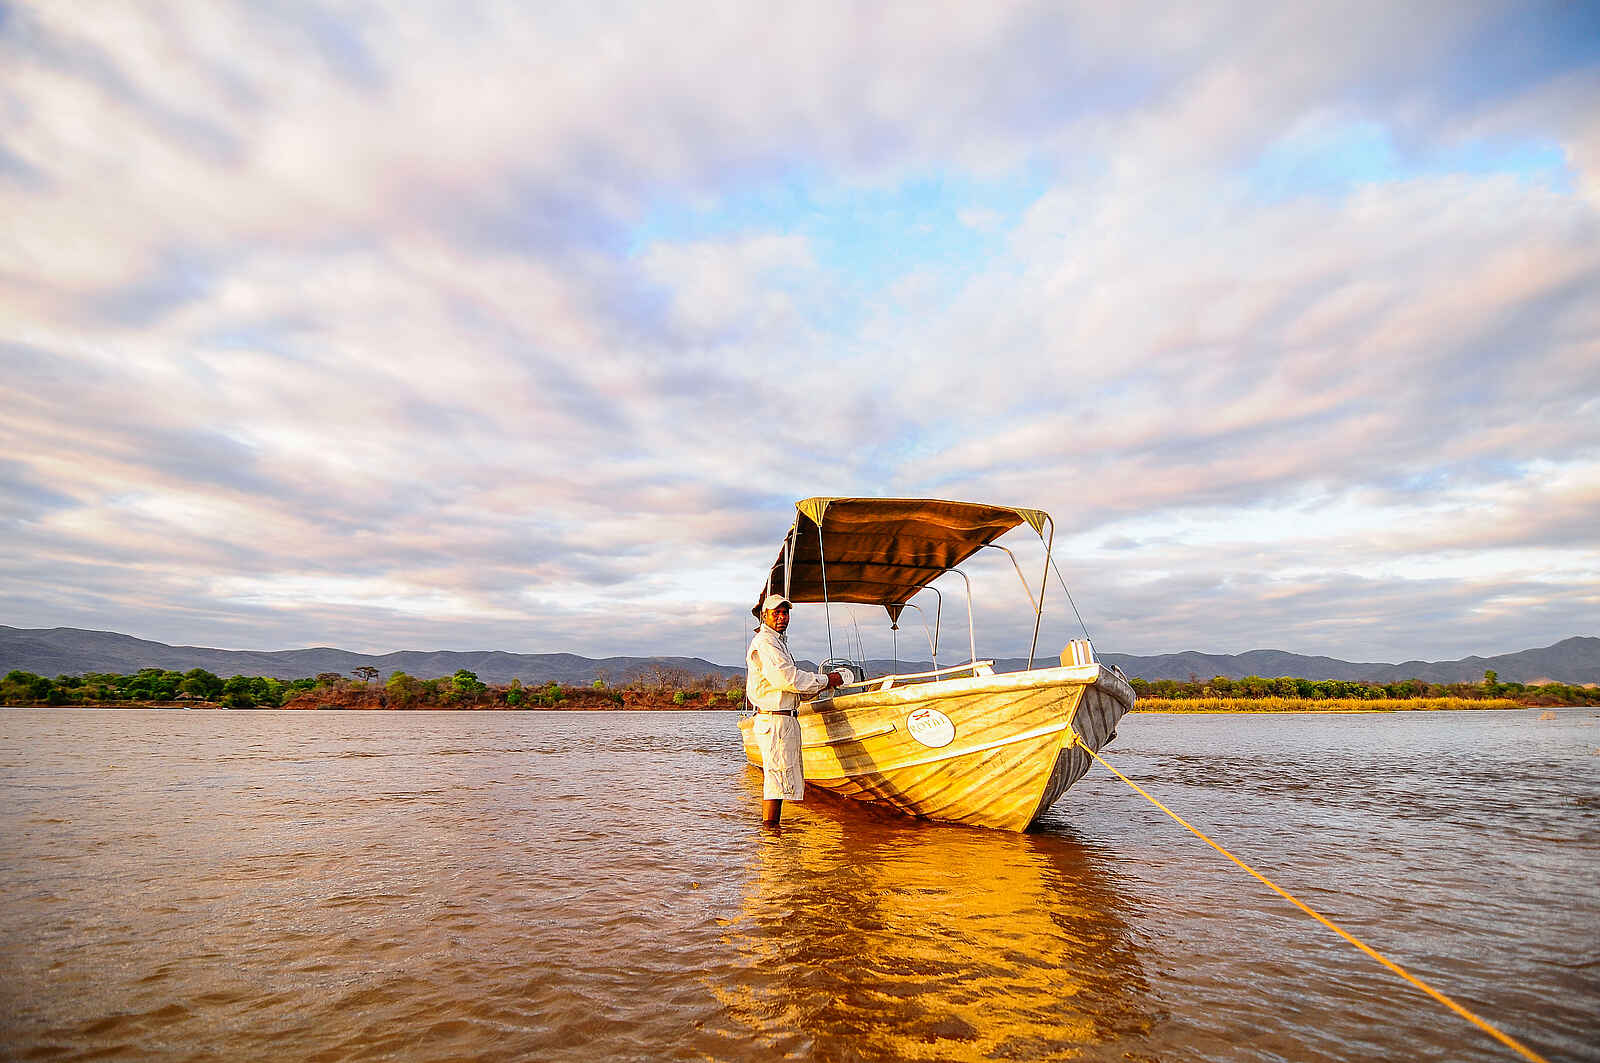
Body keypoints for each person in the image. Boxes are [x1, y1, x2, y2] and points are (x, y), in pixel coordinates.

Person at [746, 594, 842, 829]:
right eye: (776, 612)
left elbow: (790, 685)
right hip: (775, 719)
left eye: (785, 612)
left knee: (778, 778)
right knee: (776, 779)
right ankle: (771, 835)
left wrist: (819, 687)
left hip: (782, 718)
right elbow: (786, 678)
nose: (782, 617)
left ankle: (773, 837)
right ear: (765, 615)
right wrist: (825, 679)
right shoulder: (766, 642)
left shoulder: (778, 642)